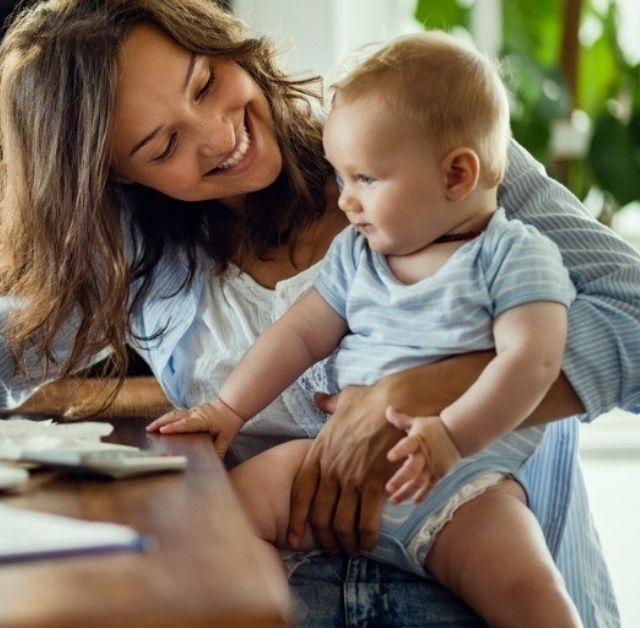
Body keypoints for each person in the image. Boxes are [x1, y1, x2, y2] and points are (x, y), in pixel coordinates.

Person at [0, 1, 637, 624]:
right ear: (117, 178)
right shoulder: (143, 247)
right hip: (283, 599)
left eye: (206, 82)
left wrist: (428, 391)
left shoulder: (422, 147)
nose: (218, 135)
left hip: (490, 588)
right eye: (161, 145)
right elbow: (1, 341)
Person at [147, 32, 580, 626]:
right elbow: (298, 336)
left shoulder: (514, 257)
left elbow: (534, 362)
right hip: (326, 464)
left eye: (367, 180)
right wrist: (227, 408)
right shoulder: (358, 254)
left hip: (465, 486)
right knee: (220, 519)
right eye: (340, 178)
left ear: (456, 176)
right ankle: (266, 612)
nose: (345, 202)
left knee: (532, 594)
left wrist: (449, 436)